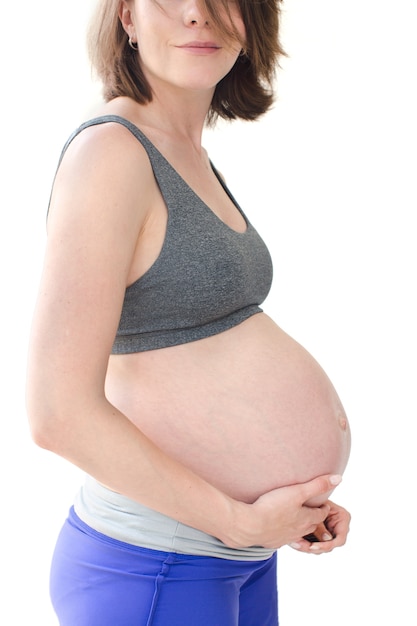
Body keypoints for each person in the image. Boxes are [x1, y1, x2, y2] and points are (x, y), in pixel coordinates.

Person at [26, 0, 351, 624]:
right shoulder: (110, 156)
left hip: (233, 555)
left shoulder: (181, 148)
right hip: (160, 564)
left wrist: (283, 505)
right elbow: (56, 413)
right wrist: (238, 517)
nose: (198, 15)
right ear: (126, 18)